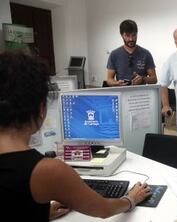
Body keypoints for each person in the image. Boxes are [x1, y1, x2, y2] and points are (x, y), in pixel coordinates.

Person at [0, 51, 151, 221]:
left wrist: (41, 213)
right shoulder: (46, 171)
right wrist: (131, 199)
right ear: (41, 110)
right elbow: (103, 209)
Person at [106, 19, 157, 86]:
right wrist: (117, 83)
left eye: (133, 35)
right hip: (122, 93)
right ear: (121, 35)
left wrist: (143, 79)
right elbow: (109, 80)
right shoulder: (114, 54)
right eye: (127, 36)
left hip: (141, 94)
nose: (131, 39)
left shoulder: (146, 54)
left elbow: (154, 79)